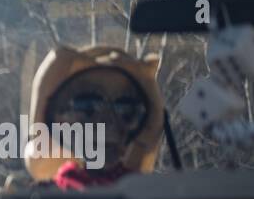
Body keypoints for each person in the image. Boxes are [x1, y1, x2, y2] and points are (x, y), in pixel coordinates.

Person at [23, 45, 165, 190]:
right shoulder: (51, 195)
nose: (109, 121)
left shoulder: (140, 192)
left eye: (126, 110)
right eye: (87, 106)